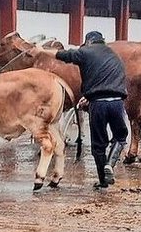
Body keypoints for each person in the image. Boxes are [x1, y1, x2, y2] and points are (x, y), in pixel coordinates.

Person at [55, 31, 128, 189]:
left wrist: (46, 52)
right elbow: (112, 79)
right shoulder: (114, 56)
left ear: (88, 42)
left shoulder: (86, 52)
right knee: (120, 136)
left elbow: (66, 56)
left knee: (98, 144)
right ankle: (110, 164)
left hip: (98, 105)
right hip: (116, 102)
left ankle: (103, 180)